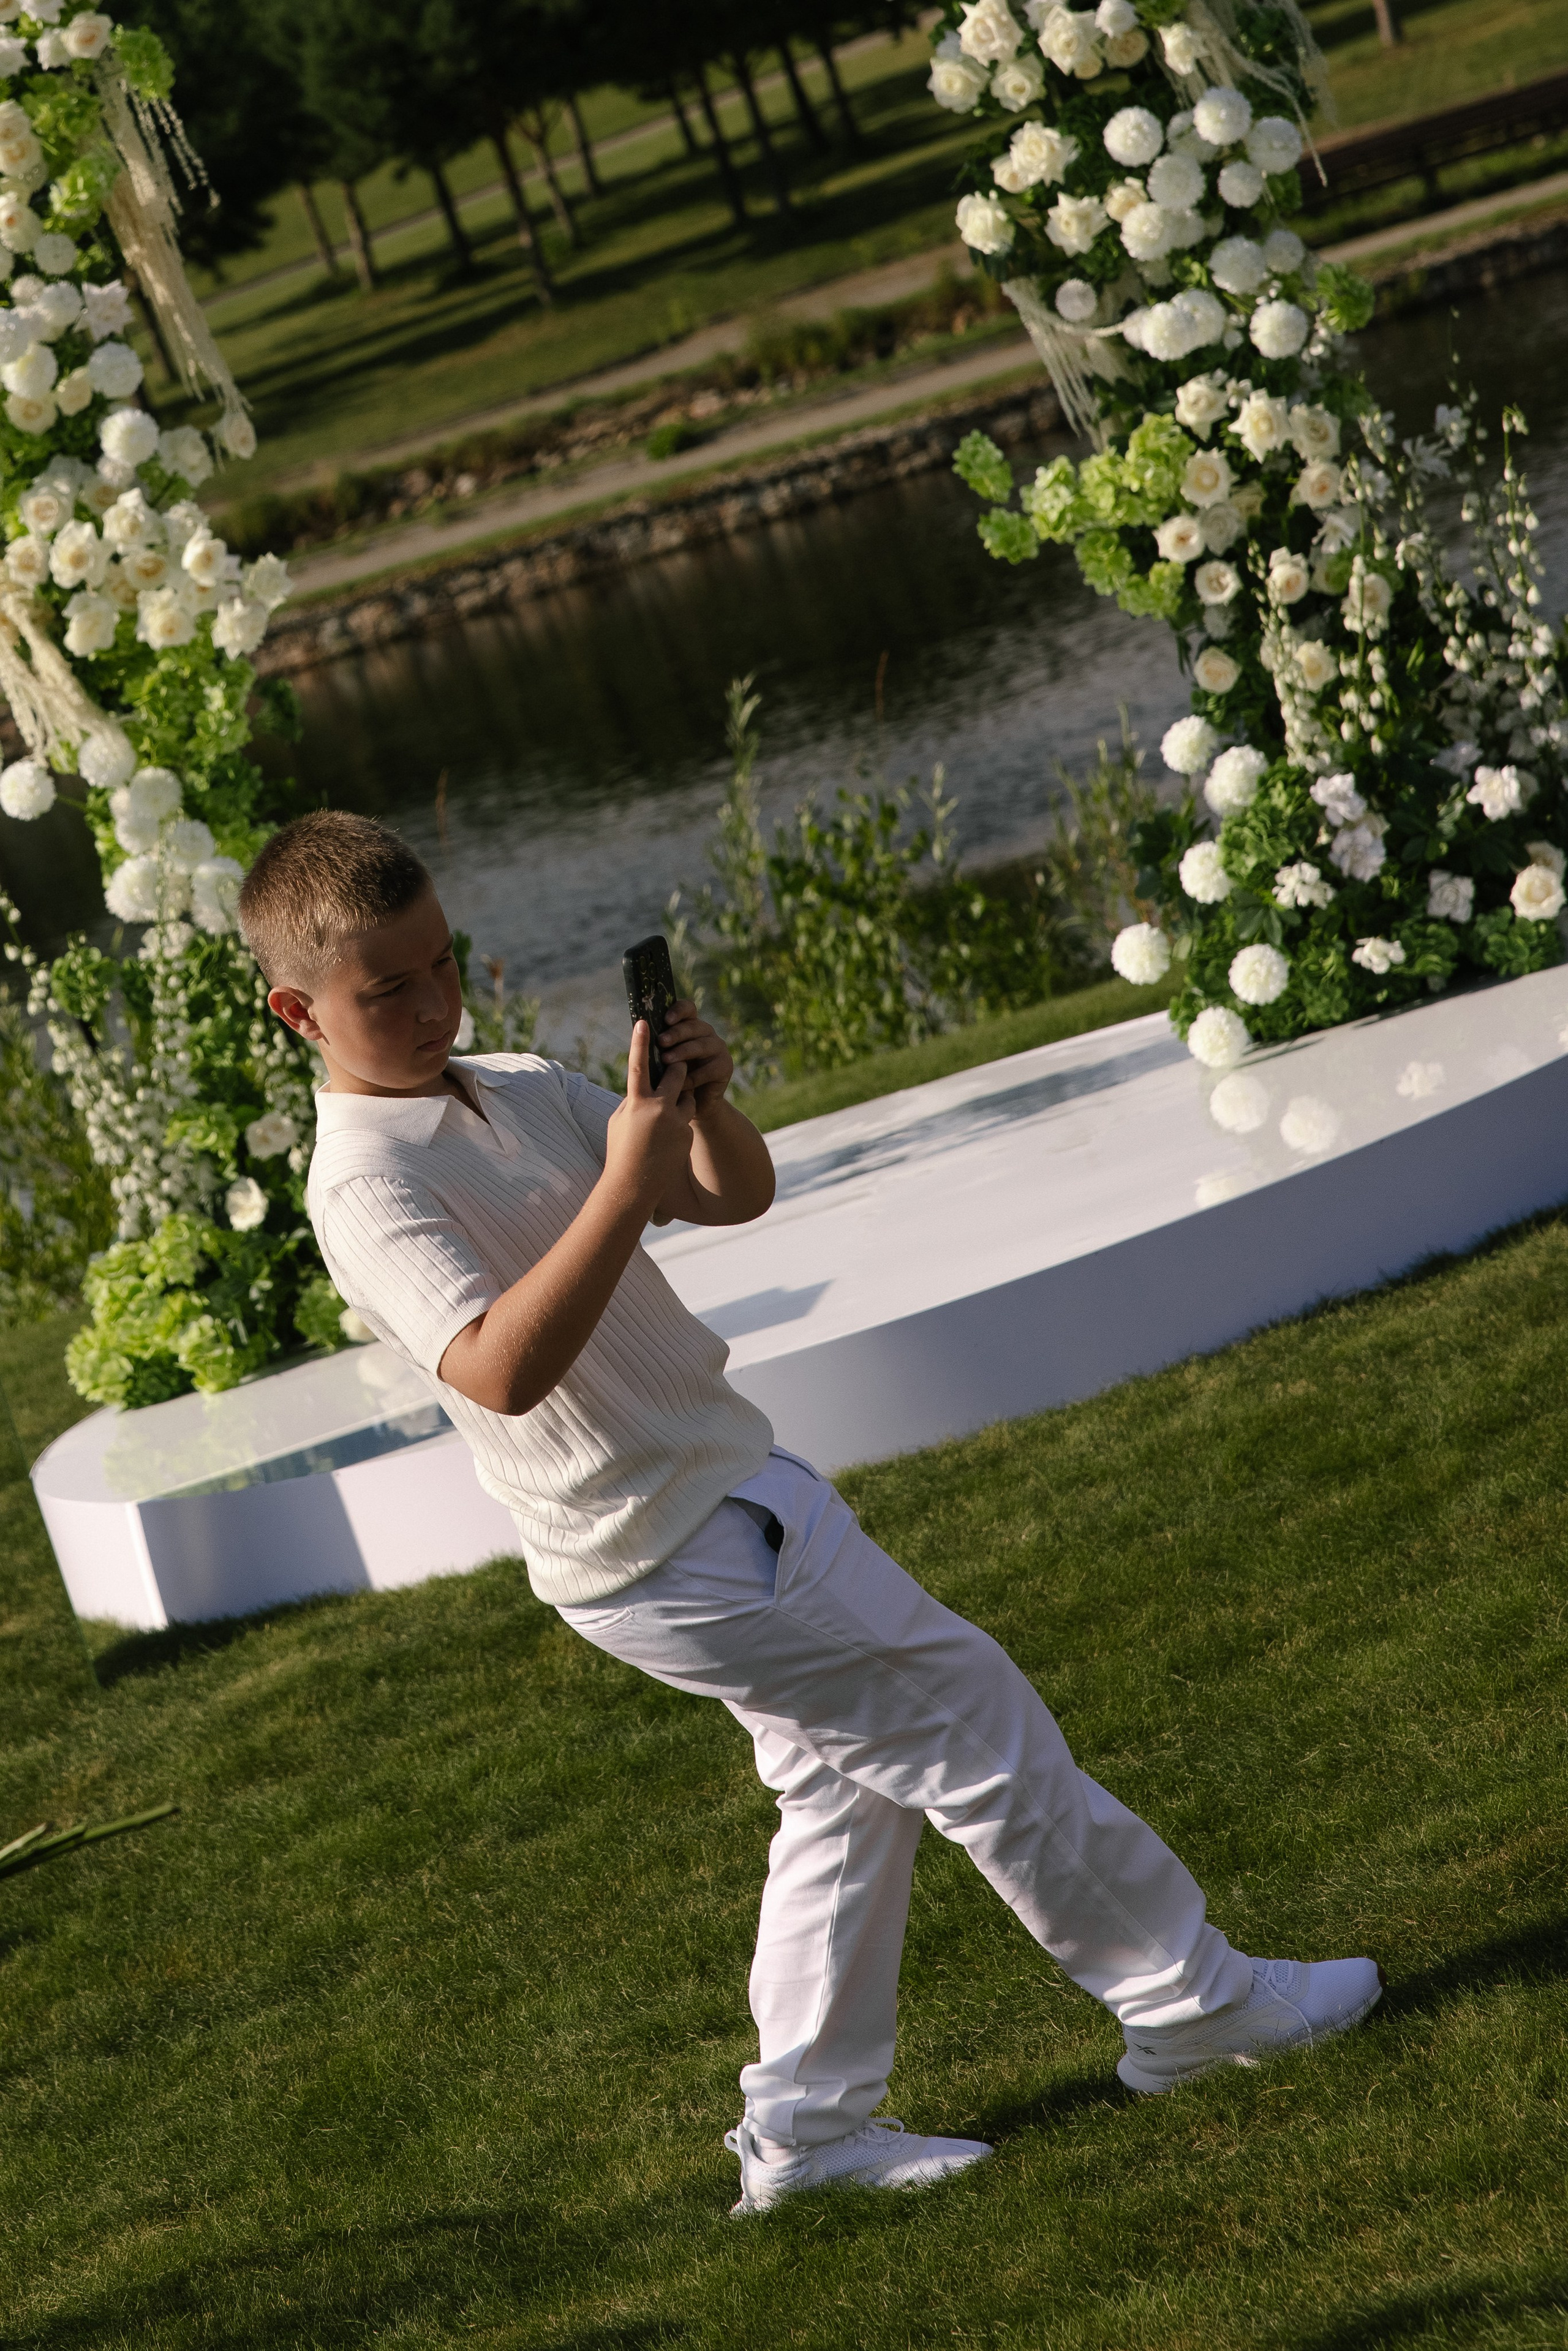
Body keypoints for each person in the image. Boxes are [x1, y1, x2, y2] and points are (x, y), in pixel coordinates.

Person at [243, 810, 1383, 2217]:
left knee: (844, 1792)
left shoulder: (515, 1081)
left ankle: (803, 2134)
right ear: (299, 1011)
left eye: (440, 964)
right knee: (976, 1727)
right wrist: (618, 1171)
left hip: (715, 1500)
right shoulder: (362, 1179)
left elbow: (730, 1194)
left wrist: (702, 1107)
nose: (430, 1003)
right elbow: (499, 1365)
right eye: (386, 990)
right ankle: (1191, 2003)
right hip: (671, 1542)